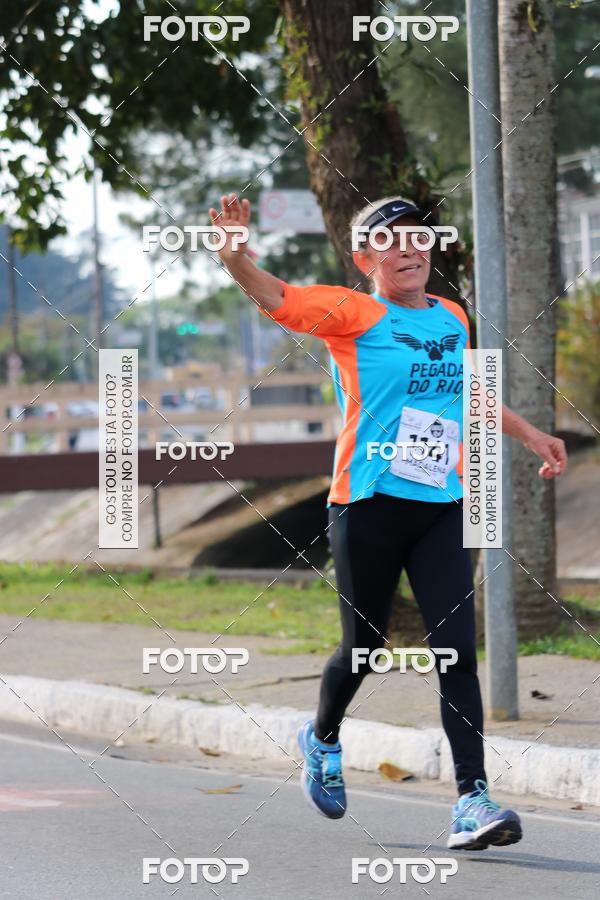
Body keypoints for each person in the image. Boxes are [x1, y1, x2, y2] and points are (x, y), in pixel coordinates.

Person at [209, 192, 567, 851]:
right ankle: (320, 739)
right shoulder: (352, 312)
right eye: (392, 241)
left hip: (437, 508)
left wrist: (530, 433)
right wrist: (235, 259)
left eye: (420, 239)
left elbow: (465, 390)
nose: (409, 250)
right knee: (366, 648)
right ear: (365, 258)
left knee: (457, 651)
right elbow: (278, 298)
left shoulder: (451, 318)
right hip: (366, 506)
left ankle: (471, 800)